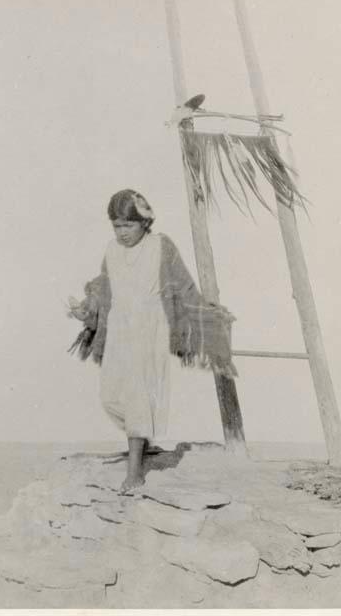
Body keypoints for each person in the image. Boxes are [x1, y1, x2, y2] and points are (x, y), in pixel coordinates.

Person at [68, 189, 236, 493]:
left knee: (137, 395)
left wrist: (207, 318)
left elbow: (183, 287)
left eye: (128, 225)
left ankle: (135, 473)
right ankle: (142, 441)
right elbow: (104, 286)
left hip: (149, 329)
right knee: (110, 397)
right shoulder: (111, 250)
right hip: (119, 329)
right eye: (117, 226)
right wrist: (86, 307)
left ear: (145, 222)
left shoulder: (161, 246)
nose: (122, 233)